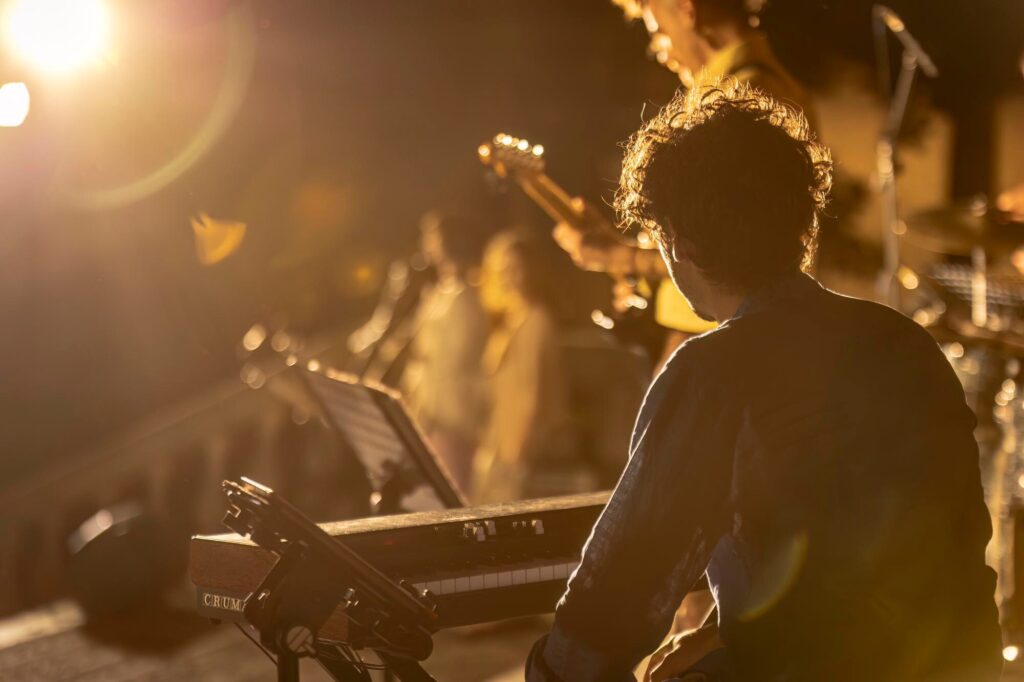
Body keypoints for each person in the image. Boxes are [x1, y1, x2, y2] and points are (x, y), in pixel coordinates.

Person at [525, 78, 1000, 681]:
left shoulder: (714, 370)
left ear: (676, 240)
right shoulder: (905, 342)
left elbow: (616, 597)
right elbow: (881, 565)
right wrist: (727, 634)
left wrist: (549, 671)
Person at [554, 0, 819, 356]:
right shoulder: (749, 90)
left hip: (724, 349)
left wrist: (619, 257)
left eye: (659, 32)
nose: (660, 52)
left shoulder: (743, 99)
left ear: (686, 9)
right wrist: (627, 256)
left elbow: (726, 255)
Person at [473, 229, 575, 503]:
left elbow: (532, 395)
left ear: (532, 270)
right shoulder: (509, 321)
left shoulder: (538, 321)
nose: (508, 276)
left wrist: (515, 461)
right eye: (502, 269)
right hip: (498, 445)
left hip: (523, 453)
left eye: (515, 268)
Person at [401, 211, 489, 494]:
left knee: (453, 486)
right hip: (428, 407)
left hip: (450, 411)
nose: (426, 244)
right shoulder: (438, 292)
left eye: (432, 237)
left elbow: (457, 357)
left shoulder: (465, 295)